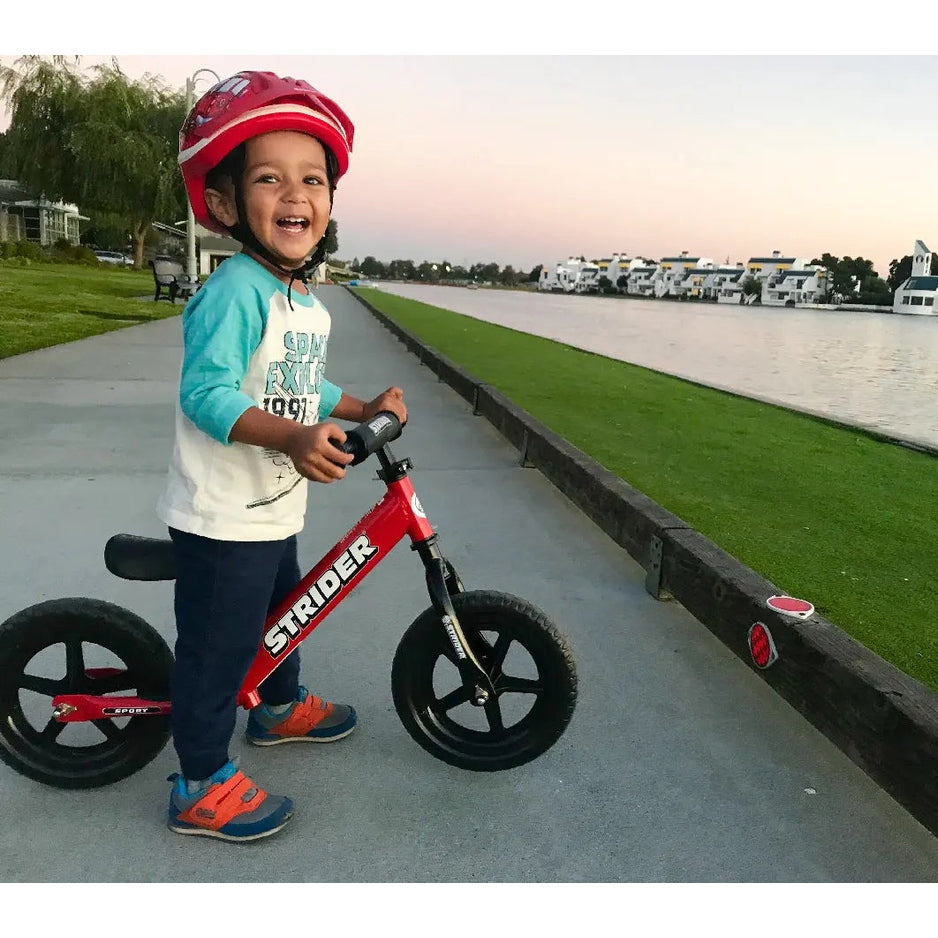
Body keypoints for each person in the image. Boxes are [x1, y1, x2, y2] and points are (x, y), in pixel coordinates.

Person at [154, 70, 407, 842]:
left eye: (313, 179)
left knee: (285, 613)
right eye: (269, 178)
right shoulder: (236, 290)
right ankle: (200, 781)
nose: (295, 193)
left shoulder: (302, 302)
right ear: (227, 204)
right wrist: (293, 438)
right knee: (218, 649)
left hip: (269, 509)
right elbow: (207, 393)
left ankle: (279, 706)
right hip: (222, 516)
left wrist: (361, 407)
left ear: (328, 203)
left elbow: (300, 383)